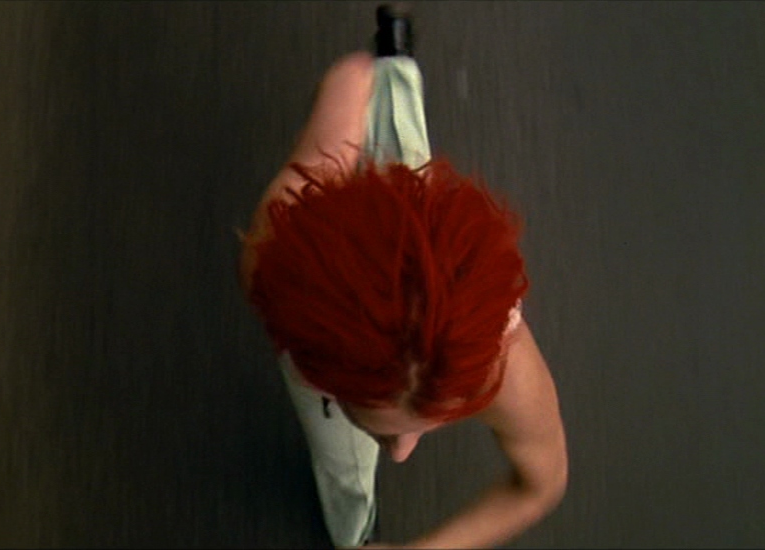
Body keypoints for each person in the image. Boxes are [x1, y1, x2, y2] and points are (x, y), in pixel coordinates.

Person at [238, 47, 568, 549]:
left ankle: (389, 76)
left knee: (393, 142)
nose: (400, 454)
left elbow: (542, 487)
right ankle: (389, 77)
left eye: (415, 428)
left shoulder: (505, 368)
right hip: (323, 278)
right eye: (391, 431)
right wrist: (348, 84)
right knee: (340, 455)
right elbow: (317, 162)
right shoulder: (273, 260)